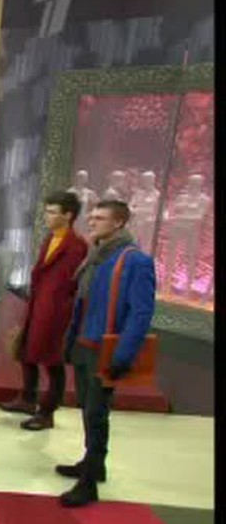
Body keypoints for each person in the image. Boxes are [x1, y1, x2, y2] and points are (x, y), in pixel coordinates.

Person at [58, 200, 155, 508]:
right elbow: (83, 303)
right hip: (85, 344)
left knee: (97, 413)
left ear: (119, 223)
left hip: (105, 349)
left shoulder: (135, 261)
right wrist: (71, 343)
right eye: (92, 216)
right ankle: (93, 464)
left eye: (99, 218)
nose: (92, 221)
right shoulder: (96, 256)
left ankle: (89, 483)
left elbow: (141, 313)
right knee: (87, 406)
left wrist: (123, 356)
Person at [0, 191, 88, 430]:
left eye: (52, 212)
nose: (47, 216)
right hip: (38, 304)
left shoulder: (76, 244)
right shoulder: (51, 238)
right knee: (26, 351)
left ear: (68, 215)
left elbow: (66, 282)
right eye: (46, 211)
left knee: (52, 360)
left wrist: (53, 306)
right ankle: (28, 399)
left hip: (55, 310)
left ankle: (47, 412)